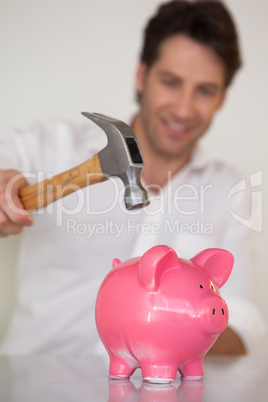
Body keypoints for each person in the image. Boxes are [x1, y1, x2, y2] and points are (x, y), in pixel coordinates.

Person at [0, 0, 266, 356]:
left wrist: (173, 325)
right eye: (171, 82)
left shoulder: (230, 192)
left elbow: (244, 326)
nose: (185, 109)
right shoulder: (52, 148)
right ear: (142, 77)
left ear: (222, 99)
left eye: (205, 90)